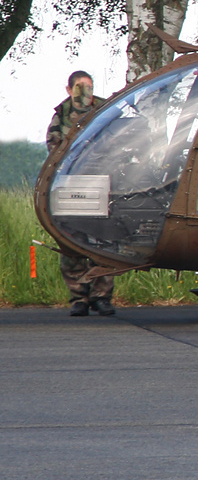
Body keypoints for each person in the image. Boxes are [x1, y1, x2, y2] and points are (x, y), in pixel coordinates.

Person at [46, 70, 115, 317]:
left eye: (88, 86)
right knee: (71, 244)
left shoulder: (107, 110)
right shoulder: (62, 114)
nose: (84, 91)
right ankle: (79, 298)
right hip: (71, 183)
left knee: (104, 242)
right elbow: (54, 146)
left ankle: (102, 297)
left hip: (101, 182)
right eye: (79, 87)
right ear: (69, 89)